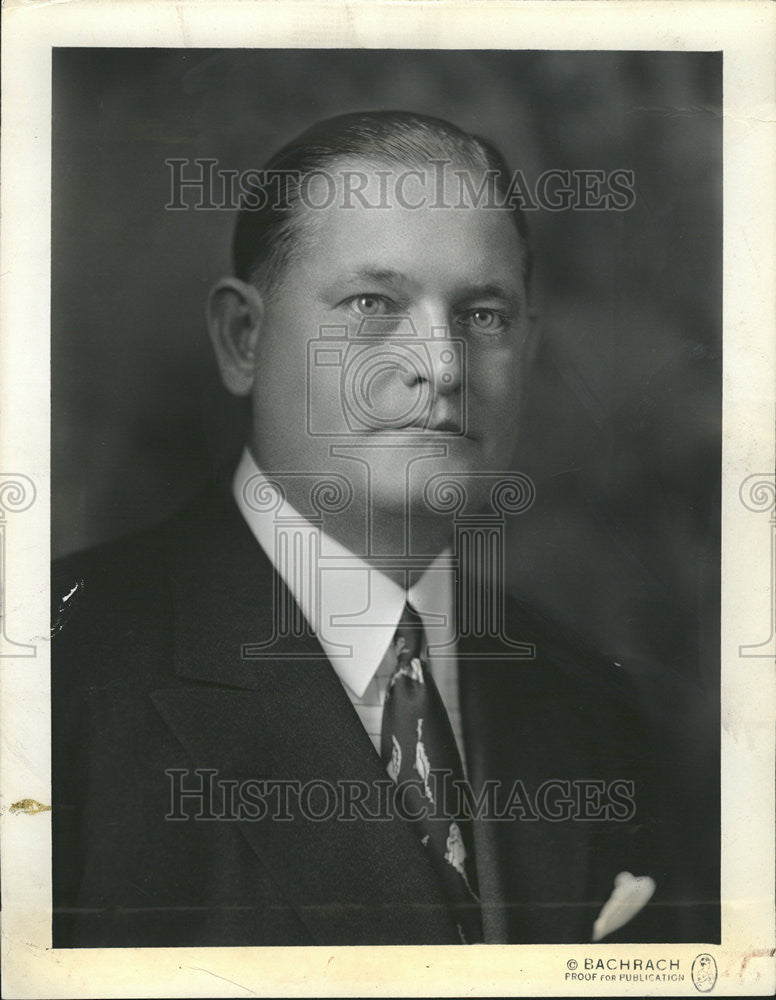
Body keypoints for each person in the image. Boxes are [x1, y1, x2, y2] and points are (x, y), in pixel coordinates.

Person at [52, 110, 718, 947]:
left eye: (484, 315)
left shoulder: (597, 706)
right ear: (242, 338)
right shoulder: (53, 673)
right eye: (373, 302)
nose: (440, 364)